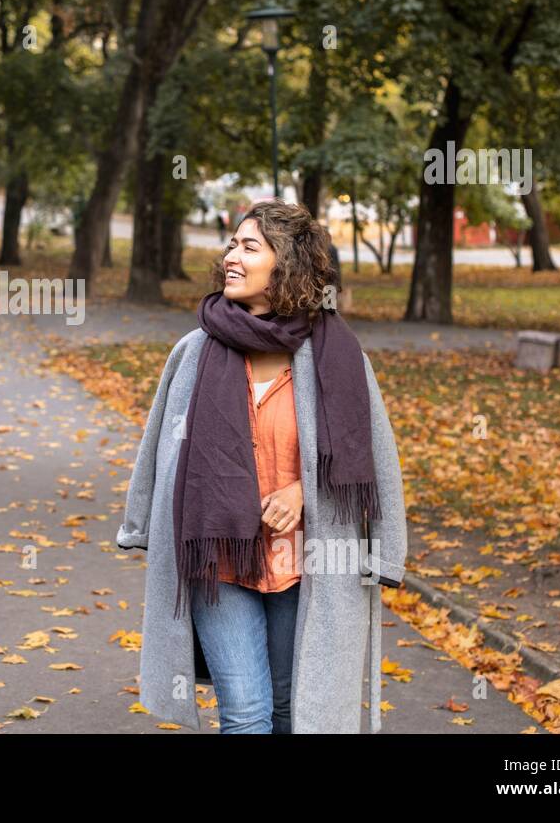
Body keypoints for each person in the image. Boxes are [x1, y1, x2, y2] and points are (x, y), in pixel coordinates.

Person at [116, 199, 407, 733]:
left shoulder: (338, 358)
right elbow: (159, 445)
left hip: (307, 562)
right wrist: (138, 526)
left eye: (250, 246)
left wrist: (305, 492)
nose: (232, 255)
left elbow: (376, 459)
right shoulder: (194, 351)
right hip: (218, 557)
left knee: (290, 710)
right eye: (232, 244)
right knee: (246, 712)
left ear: (288, 265)